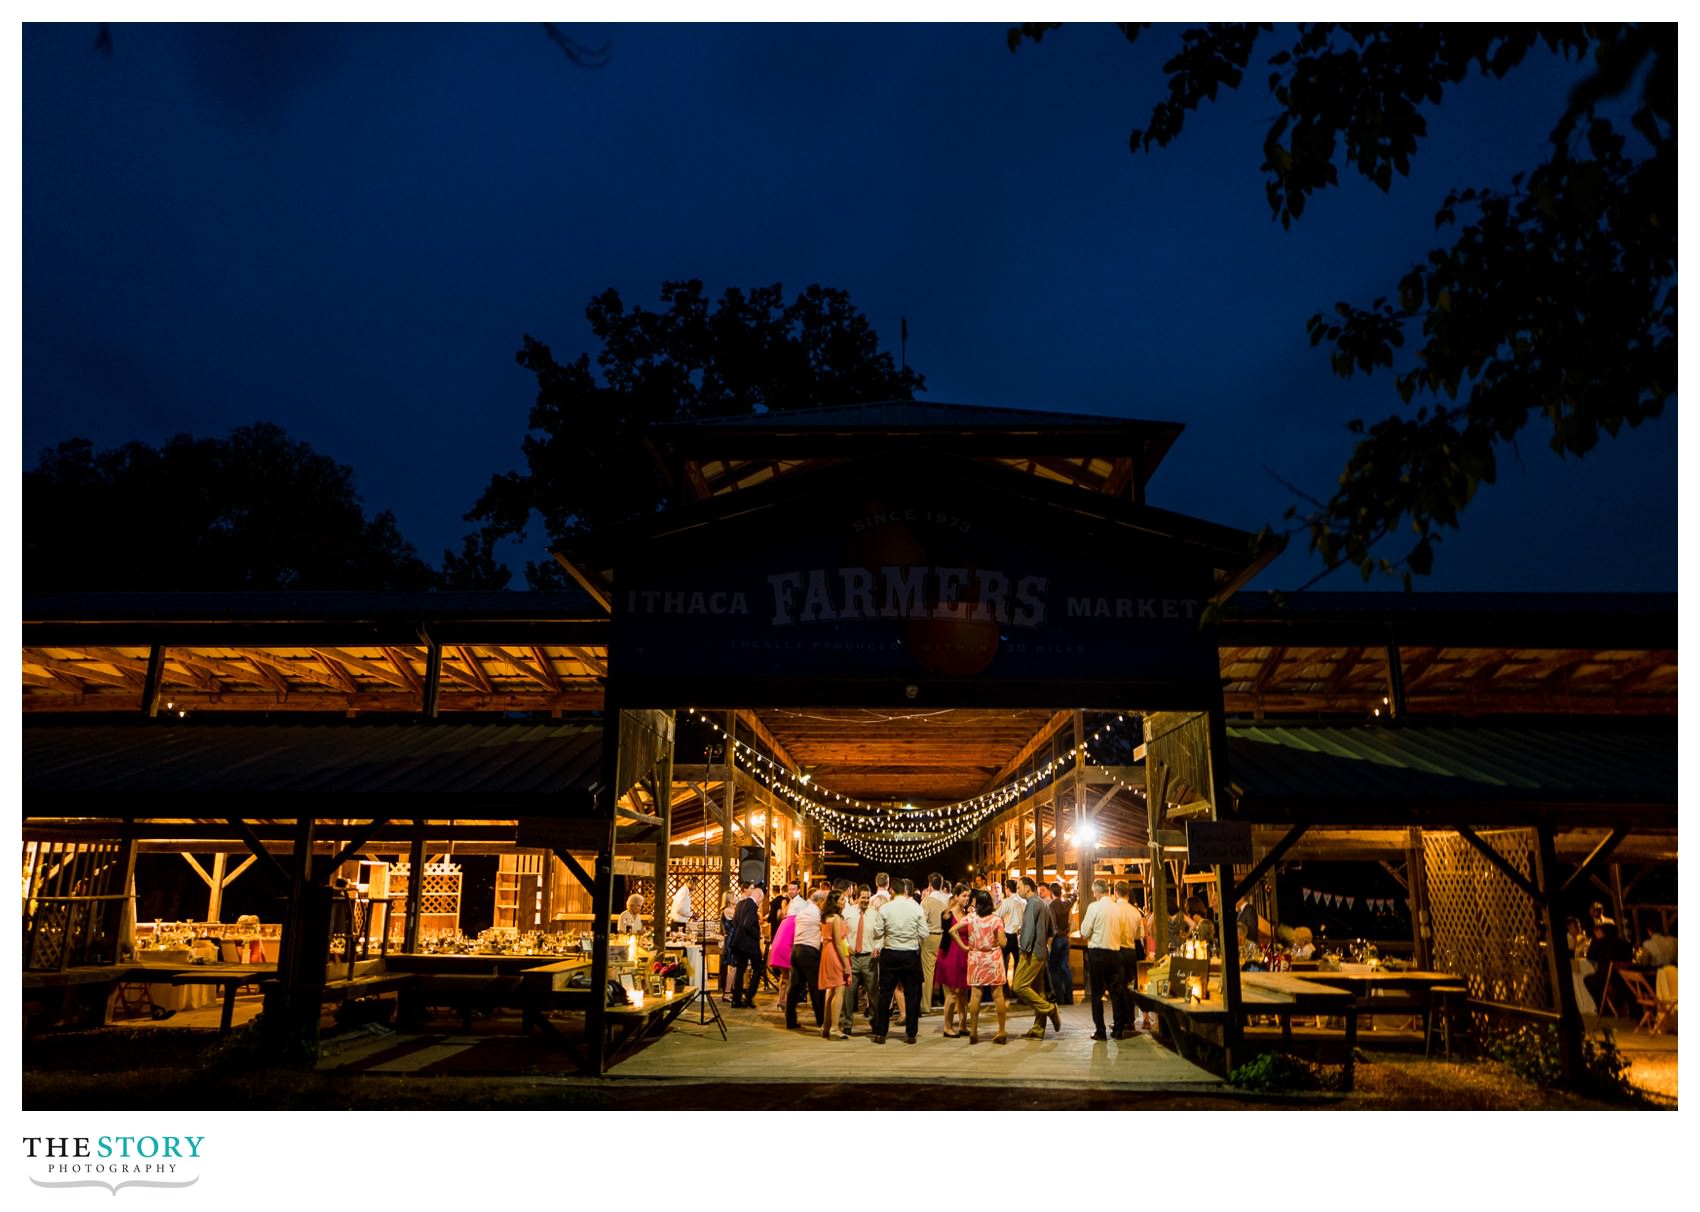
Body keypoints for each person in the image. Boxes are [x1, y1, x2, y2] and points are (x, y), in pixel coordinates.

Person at [870, 877, 927, 1044]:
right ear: (906, 890)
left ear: (892, 891)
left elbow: (877, 932)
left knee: (885, 993)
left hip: (890, 952)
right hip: (910, 953)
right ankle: (911, 1033)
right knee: (911, 994)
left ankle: (881, 1032)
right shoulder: (915, 908)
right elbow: (924, 933)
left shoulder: (886, 909)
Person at [951, 887, 1010, 1044]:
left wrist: (963, 946)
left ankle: (974, 1031)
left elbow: (952, 930)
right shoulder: (996, 920)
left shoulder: (971, 918)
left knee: (975, 996)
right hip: (993, 960)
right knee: (998, 996)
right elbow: (1003, 943)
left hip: (976, 959)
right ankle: (1002, 1031)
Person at [1009, 875, 1061, 1039]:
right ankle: (1038, 1029)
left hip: (1031, 952)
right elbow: (1051, 930)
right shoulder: (1043, 904)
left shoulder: (1032, 904)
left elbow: (1029, 930)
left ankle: (1049, 1009)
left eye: (1019, 887)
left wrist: (1024, 948)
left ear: (1027, 888)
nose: (1017, 891)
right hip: (1042, 950)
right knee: (1038, 991)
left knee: (1019, 986)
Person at [1078, 880, 1121, 1041]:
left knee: (1097, 993)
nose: (1093, 895)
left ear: (1097, 892)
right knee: (1115, 992)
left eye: (1094, 892)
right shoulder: (1117, 908)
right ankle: (1118, 1028)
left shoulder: (1094, 907)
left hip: (1097, 952)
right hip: (1115, 952)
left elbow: (1084, 930)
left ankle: (1100, 1030)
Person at [840, 887, 881, 1035]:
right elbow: (841, 933)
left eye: (867, 898)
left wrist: (878, 947)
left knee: (873, 993)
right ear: (857, 897)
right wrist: (846, 946)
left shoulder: (875, 914)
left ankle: (875, 1022)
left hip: (869, 957)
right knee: (849, 993)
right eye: (863, 897)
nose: (865, 900)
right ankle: (847, 1023)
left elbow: (880, 934)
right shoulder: (848, 912)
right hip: (852, 958)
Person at [786, 889, 827, 1030]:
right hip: (809, 951)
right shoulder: (817, 914)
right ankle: (821, 1020)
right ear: (820, 901)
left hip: (796, 950)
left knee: (795, 987)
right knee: (816, 987)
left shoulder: (802, 912)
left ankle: (790, 1020)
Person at [936, 883, 971, 1037]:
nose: (967, 899)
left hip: (965, 953)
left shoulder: (968, 914)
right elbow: (946, 934)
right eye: (964, 895)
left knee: (963, 992)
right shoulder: (948, 914)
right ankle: (947, 1026)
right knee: (953, 992)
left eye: (968, 896)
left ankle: (963, 1025)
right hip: (950, 953)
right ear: (956, 897)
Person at [816, 889, 851, 1039]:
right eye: (842, 900)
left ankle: (827, 1025)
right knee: (839, 989)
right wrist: (846, 965)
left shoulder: (825, 917)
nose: (845, 902)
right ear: (835, 902)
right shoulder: (836, 918)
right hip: (834, 953)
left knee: (830, 991)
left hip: (826, 952)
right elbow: (838, 942)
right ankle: (835, 1028)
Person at [727, 882, 766, 1008]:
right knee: (758, 968)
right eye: (762, 901)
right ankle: (749, 996)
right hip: (749, 944)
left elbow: (736, 922)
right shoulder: (752, 905)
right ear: (759, 897)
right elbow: (747, 924)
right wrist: (758, 934)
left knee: (740, 970)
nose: (761, 903)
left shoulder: (740, 904)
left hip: (738, 943)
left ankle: (736, 1000)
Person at [920, 872, 950, 1015]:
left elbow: (921, 922)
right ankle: (950, 1004)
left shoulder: (927, 901)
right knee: (945, 971)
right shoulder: (947, 900)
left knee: (928, 972)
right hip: (945, 936)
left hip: (930, 937)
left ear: (930, 885)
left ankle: (926, 1005)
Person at [1047, 880, 1075, 1005]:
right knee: (1065, 967)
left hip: (1057, 939)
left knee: (1053, 968)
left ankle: (1060, 996)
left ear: (1051, 892)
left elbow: (1053, 926)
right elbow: (1074, 897)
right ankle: (1069, 997)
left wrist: (1049, 940)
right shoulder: (1068, 903)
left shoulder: (1052, 906)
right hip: (1066, 938)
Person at [995, 879, 1026, 980]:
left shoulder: (1007, 902)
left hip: (1008, 934)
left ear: (1007, 888)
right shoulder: (1023, 901)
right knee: (1018, 961)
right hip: (1020, 934)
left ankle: (1005, 987)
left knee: (1003, 960)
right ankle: (1016, 985)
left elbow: (997, 915)